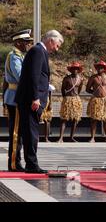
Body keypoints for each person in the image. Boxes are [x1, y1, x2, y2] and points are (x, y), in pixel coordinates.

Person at [15, 30, 64, 173]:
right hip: (31, 100)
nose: (56, 49)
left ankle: (31, 163)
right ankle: (31, 164)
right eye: (57, 45)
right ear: (50, 41)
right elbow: (34, 76)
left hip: (32, 99)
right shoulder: (37, 51)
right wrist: (35, 97)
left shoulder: (40, 51)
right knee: (31, 133)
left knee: (32, 131)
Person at [4, 29, 33, 171]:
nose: (28, 45)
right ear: (18, 43)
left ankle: (16, 161)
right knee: (16, 132)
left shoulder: (20, 55)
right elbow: (20, 76)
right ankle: (14, 163)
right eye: (25, 42)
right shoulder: (14, 56)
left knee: (19, 132)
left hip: (17, 97)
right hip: (15, 98)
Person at [86, 60, 106, 142]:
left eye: (101, 67)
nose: (99, 69)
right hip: (96, 100)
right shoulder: (93, 78)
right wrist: (95, 93)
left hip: (105, 100)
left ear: (104, 68)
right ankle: (92, 138)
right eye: (98, 67)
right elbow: (87, 89)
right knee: (93, 119)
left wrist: (104, 94)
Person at [58, 62, 84, 142]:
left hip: (76, 99)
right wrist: (65, 98)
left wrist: (75, 97)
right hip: (67, 99)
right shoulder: (66, 78)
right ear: (71, 70)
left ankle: (71, 137)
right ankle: (61, 138)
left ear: (78, 70)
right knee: (64, 119)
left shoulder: (80, 79)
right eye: (73, 69)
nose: (74, 70)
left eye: (76, 69)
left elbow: (79, 90)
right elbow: (63, 89)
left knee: (75, 119)